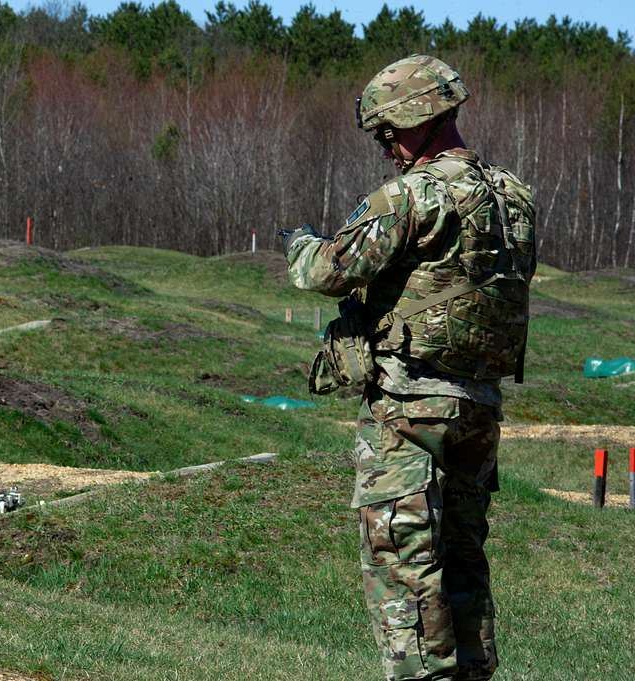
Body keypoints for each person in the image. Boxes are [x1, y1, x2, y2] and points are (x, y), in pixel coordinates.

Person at [281, 55, 536, 681]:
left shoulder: (413, 195)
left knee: (404, 568)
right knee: (463, 565)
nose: (386, 147)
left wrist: (300, 241)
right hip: (479, 407)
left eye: (387, 133)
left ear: (417, 119)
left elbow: (323, 271)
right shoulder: (513, 196)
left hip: (409, 411)